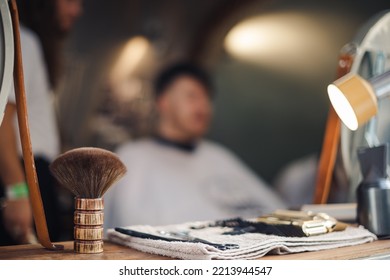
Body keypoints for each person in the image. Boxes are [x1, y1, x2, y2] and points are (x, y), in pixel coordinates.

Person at [104, 63, 286, 230]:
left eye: (207, 98)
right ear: (164, 102)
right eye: (192, 96)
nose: (203, 107)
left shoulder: (218, 155)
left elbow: (276, 211)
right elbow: (128, 228)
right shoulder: (133, 158)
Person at [0, 0, 82, 245]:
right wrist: (17, 192)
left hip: (33, 175)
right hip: (22, 175)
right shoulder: (21, 40)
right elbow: (2, 120)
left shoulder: (28, 41)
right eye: (70, 1)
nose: (77, 10)